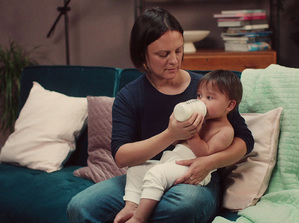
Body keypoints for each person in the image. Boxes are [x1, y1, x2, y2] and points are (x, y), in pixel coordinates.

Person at [67, 7, 254, 223]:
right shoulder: (129, 96)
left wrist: (210, 162)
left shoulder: (206, 89)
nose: (174, 60)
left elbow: (245, 140)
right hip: (148, 170)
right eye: (163, 54)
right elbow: (121, 155)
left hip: (193, 174)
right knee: (80, 207)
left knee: (183, 206)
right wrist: (171, 134)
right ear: (142, 55)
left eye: (178, 50)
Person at [115, 70, 243, 223]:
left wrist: (192, 134)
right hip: (172, 160)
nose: (201, 101)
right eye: (199, 95)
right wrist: (176, 133)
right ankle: (131, 205)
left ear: (230, 105)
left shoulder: (225, 130)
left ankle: (139, 218)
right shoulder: (200, 119)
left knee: (156, 175)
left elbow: (204, 152)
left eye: (209, 97)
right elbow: (177, 142)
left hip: (193, 168)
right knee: (136, 169)